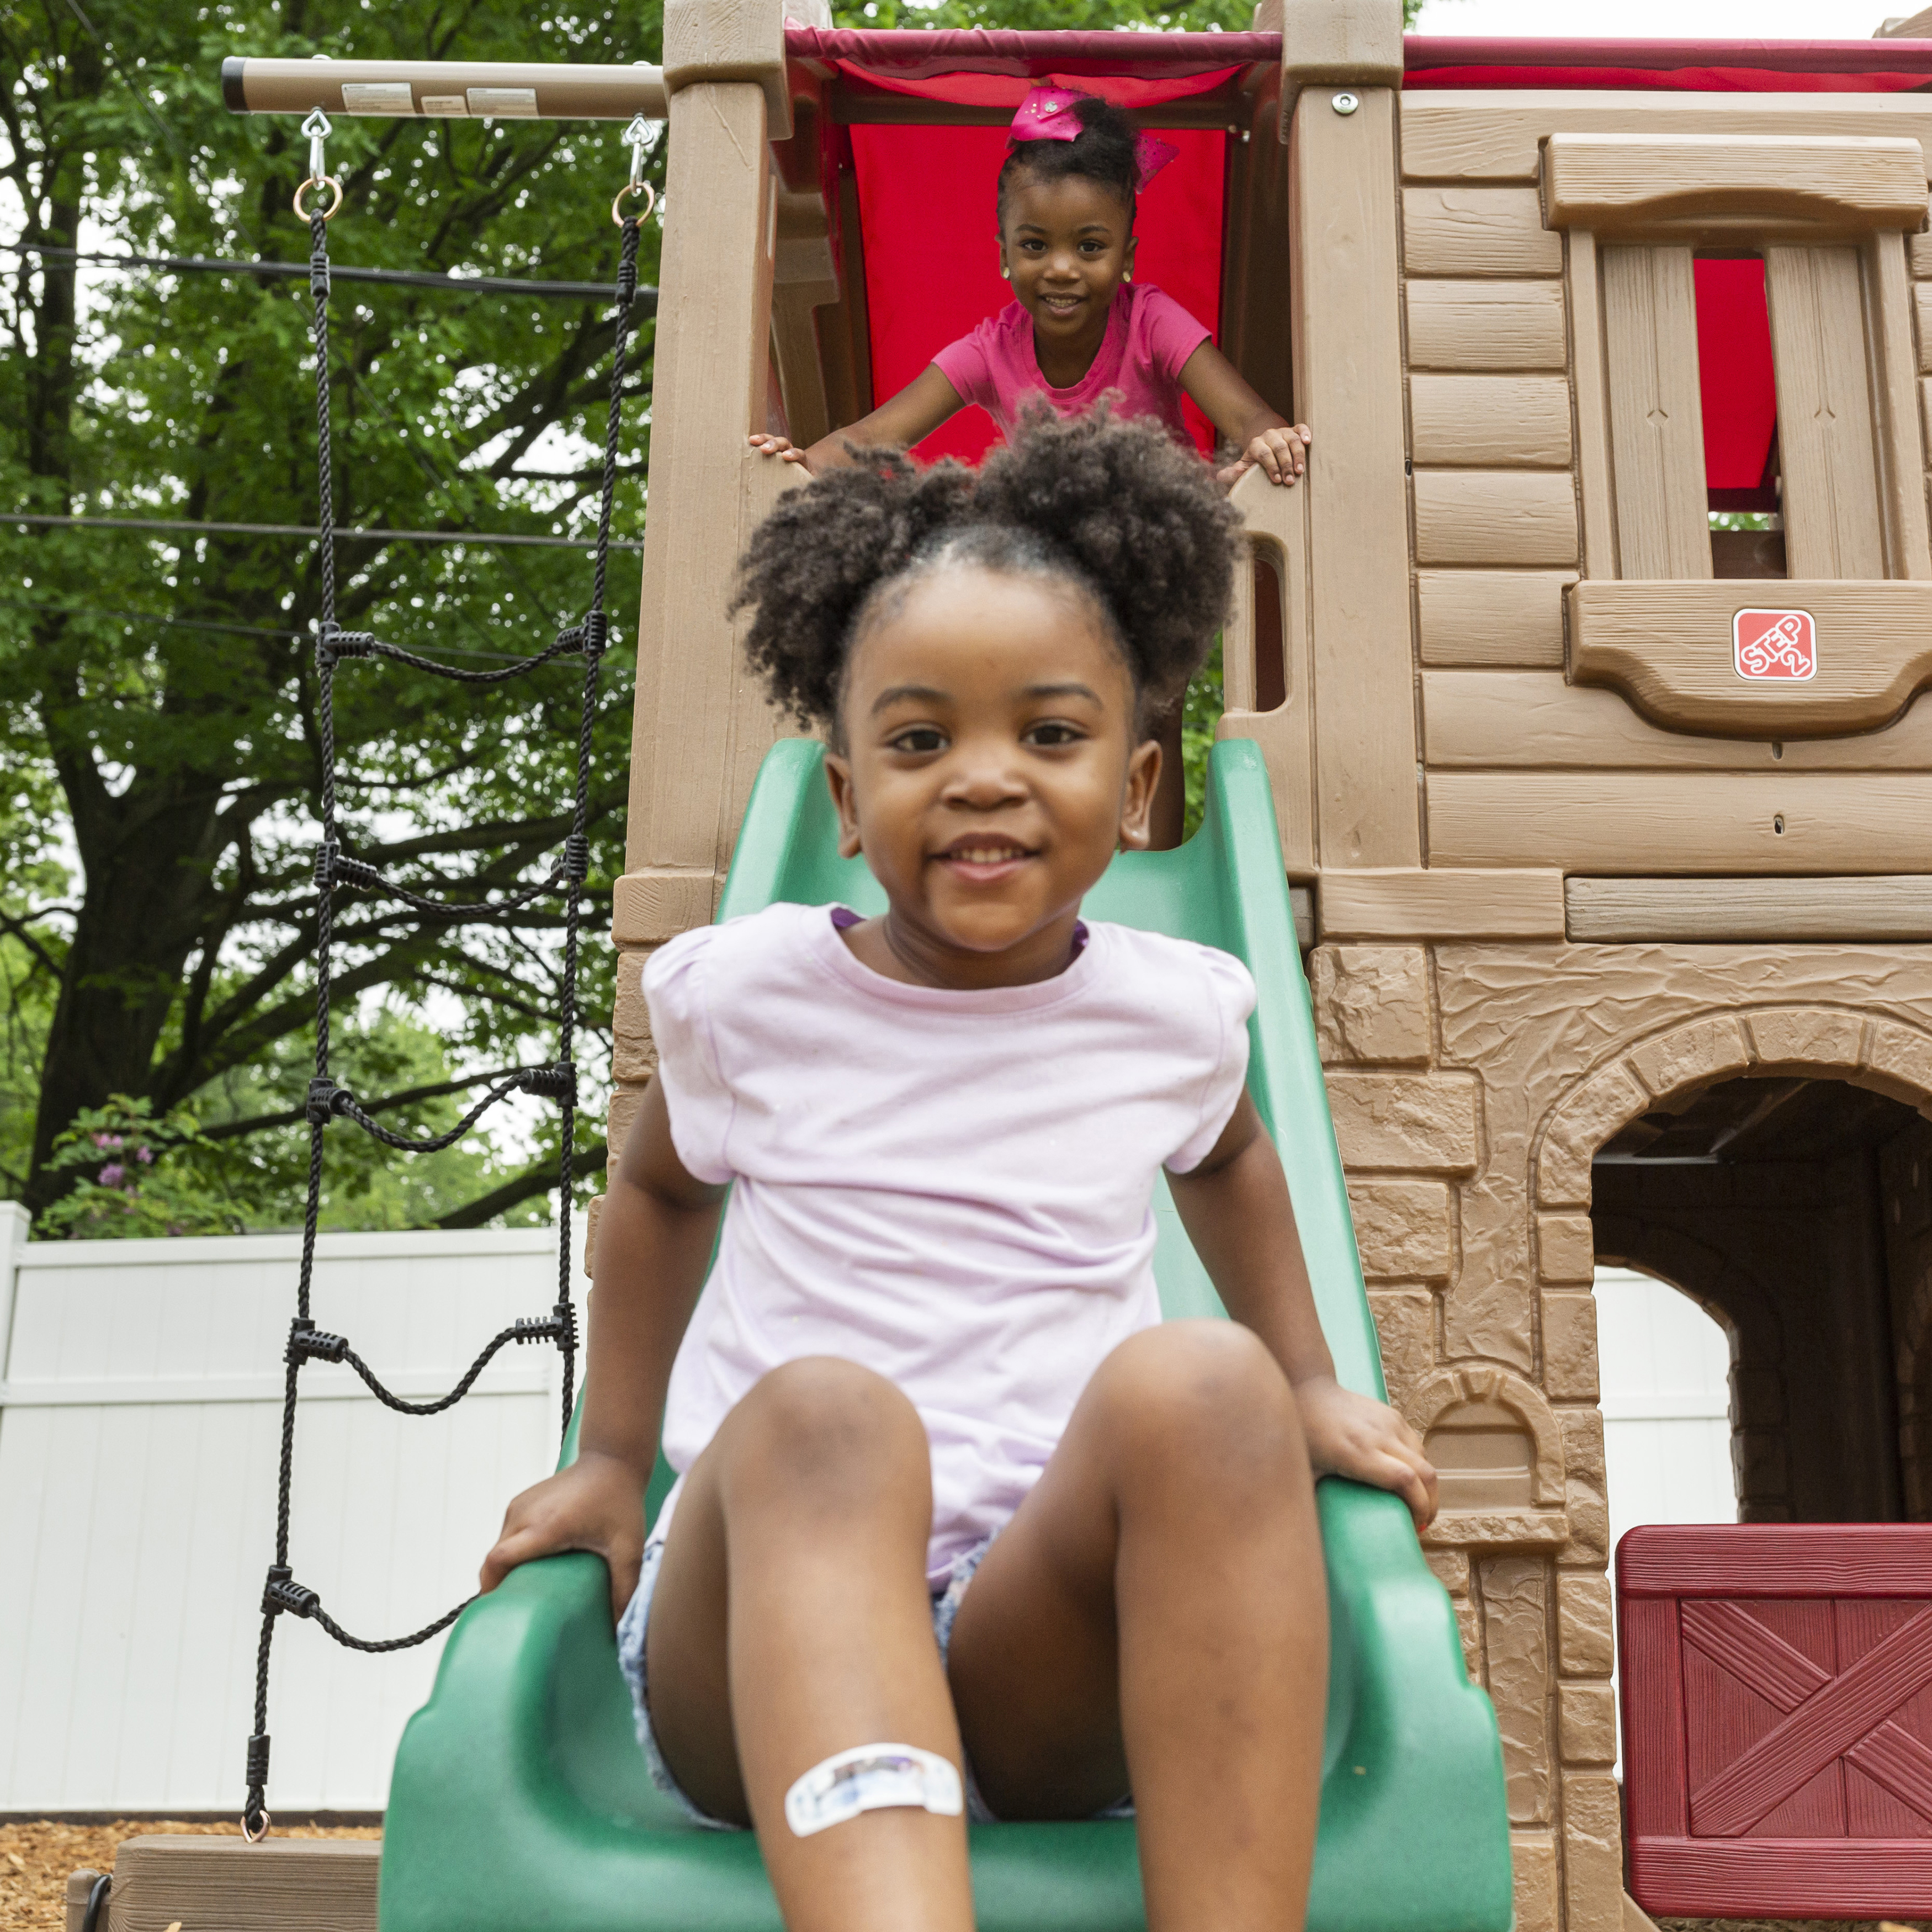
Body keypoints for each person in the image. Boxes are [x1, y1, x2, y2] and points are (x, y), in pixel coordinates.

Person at [480, 409, 1435, 1932]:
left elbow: (1237, 1159)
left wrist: (1306, 1379)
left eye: (1047, 735)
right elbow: (661, 1192)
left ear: (1134, 789)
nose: (984, 778)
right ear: (848, 801)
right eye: (921, 740)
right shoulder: (751, 997)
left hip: (1030, 1650)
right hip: (759, 1645)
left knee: (1203, 1381)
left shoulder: (1169, 1009)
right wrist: (612, 1454)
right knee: (825, 1408)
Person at [748, 88, 1309, 492]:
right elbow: (874, 434)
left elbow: (1246, 418)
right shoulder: (991, 351)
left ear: (1126, 259)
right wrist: (799, 466)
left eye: (1089, 247)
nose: (1060, 269)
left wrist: (1267, 441)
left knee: (1228, 489)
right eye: (1035, 246)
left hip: (1158, 541)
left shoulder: (1149, 321)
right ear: (1003, 255)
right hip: (1061, 555)